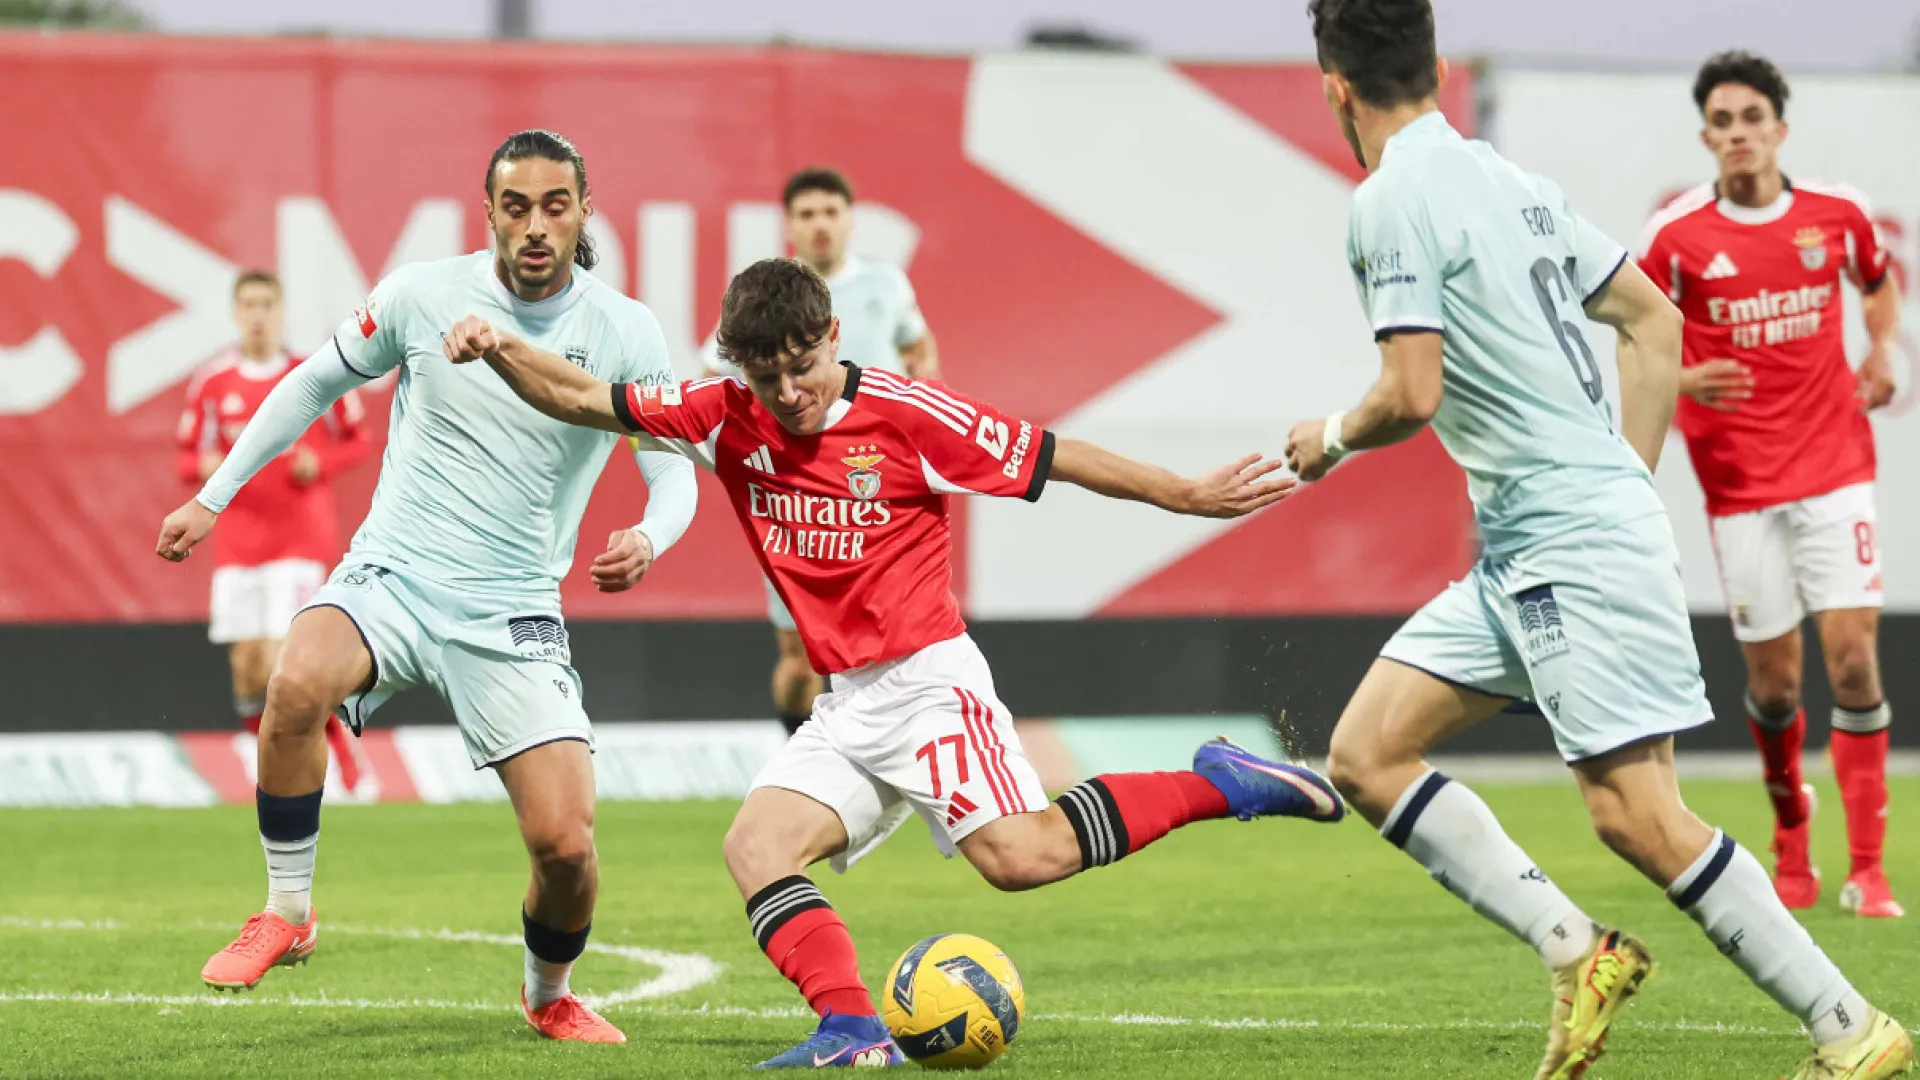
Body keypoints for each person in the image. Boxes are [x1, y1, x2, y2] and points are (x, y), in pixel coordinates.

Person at [445, 256, 1346, 1069]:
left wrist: (1183, 493)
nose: (788, 391)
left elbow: (1055, 456)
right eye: (765, 375)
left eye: (803, 365)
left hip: (929, 687)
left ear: (834, 335)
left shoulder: (910, 416)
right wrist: (499, 347)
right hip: (847, 704)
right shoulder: (723, 415)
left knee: (1021, 858)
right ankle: (852, 1029)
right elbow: (580, 395)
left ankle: (1221, 782)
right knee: (756, 847)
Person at [1289, 4, 1913, 1079]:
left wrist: (1332, 437)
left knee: (1637, 816)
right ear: (1436, 65)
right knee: (1367, 753)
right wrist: (1625, 474)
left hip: (1566, 541)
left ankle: (1849, 1027)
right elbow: (1654, 321)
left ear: (1336, 88)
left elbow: (1411, 392)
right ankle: (1578, 951)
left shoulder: (1391, 197)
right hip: (1534, 541)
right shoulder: (1511, 181)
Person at [154, 129, 699, 1045]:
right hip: (393, 574)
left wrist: (651, 534)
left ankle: (548, 992)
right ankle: (287, 910)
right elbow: (311, 385)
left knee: (567, 848)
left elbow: (672, 469)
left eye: (554, 206)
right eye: (516, 207)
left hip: (513, 607)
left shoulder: (626, 330)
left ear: (583, 213)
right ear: (488, 213)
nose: (535, 226)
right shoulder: (420, 293)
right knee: (294, 684)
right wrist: (215, 497)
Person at [1636, 51, 1903, 919]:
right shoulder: (1676, 237)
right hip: (1741, 485)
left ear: (1779, 129)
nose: (1739, 133)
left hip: (1835, 468)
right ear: (1706, 136)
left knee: (1854, 663)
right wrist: (1681, 379)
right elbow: (1634, 337)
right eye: (1723, 121)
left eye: (1753, 118)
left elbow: (1879, 284)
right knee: (1777, 689)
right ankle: (1792, 830)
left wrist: (1882, 350)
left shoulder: (1837, 215)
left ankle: (1869, 868)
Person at [701, 167, 942, 737]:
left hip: (877, 490)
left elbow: (918, 347)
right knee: (801, 658)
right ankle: (799, 750)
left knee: (896, 639)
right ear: (789, 225)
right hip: (800, 498)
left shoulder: (885, 285)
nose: (821, 225)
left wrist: (924, 406)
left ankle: (886, 749)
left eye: (831, 212)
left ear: (850, 219)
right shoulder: (764, 299)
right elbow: (714, 377)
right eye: (807, 214)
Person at [176, 270, 373, 794]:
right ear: (235, 312)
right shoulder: (213, 383)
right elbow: (185, 458)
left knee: (283, 658)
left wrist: (320, 463)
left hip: (298, 541)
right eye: (249, 304)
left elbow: (358, 440)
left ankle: (339, 755)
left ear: (281, 310)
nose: (258, 315)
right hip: (238, 544)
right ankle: (265, 762)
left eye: (267, 303)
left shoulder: (312, 372)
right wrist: (204, 465)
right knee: (247, 668)